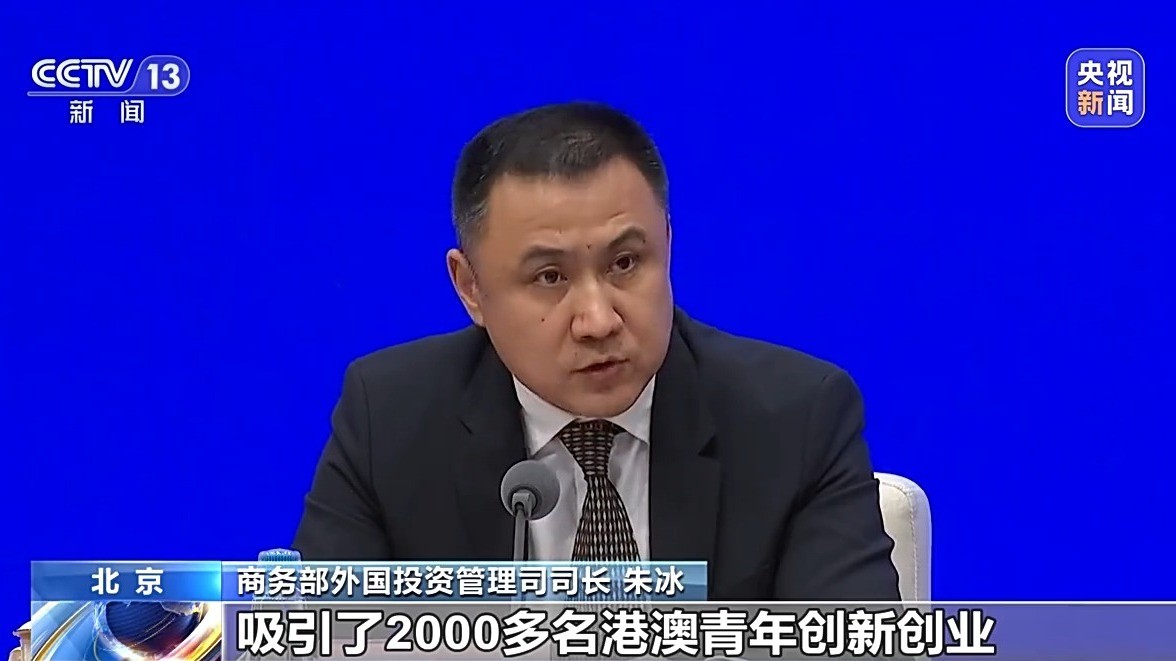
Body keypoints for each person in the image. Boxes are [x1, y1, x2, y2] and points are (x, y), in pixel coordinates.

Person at [292, 101, 900, 600]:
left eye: (626, 263)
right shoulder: (390, 420)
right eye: (549, 277)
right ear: (470, 288)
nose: (598, 320)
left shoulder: (796, 418)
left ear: (668, 243)